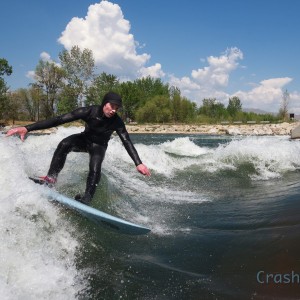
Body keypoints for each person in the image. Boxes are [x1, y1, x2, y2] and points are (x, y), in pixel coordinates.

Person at [6, 92, 151, 205]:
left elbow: (126, 141)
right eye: (111, 106)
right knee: (64, 144)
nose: (114, 110)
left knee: (95, 168)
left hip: (99, 146)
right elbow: (59, 119)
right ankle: (50, 179)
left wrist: (138, 163)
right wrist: (27, 128)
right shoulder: (89, 111)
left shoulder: (117, 122)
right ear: (104, 104)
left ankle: (87, 198)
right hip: (84, 140)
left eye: (116, 108)